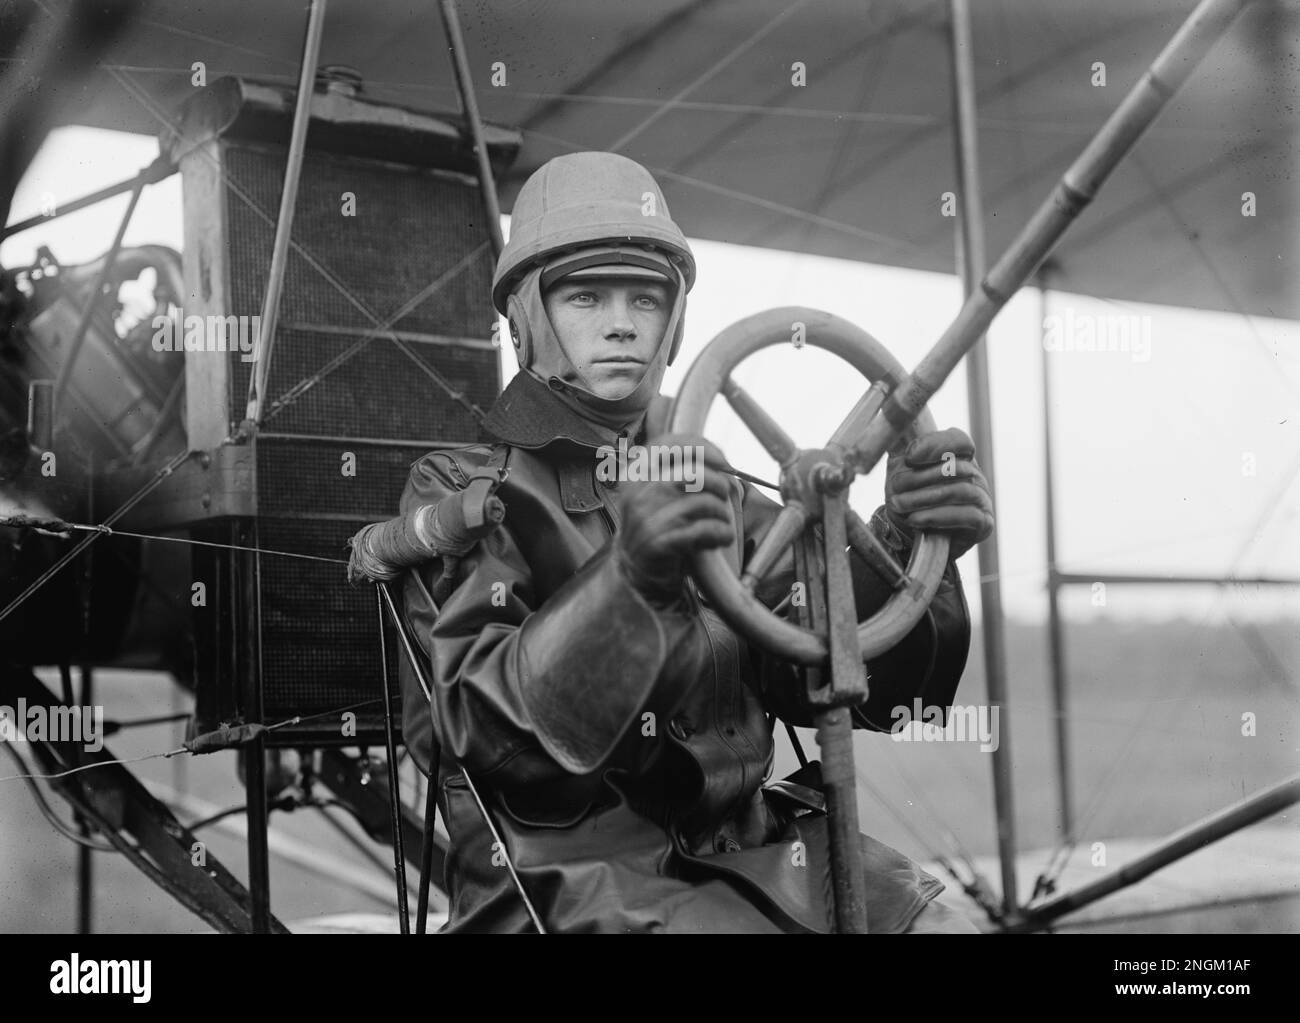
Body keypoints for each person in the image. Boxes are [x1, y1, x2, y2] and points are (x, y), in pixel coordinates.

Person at [394, 151, 994, 933]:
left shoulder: (720, 482)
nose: (620, 321)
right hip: (564, 882)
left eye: (645, 297)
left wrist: (904, 539)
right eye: (585, 296)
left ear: (674, 323)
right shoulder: (466, 490)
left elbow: (819, 671)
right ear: (528, 320)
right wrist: (628, 583)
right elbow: (495, 747)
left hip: (756, 850)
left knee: (949, 930)